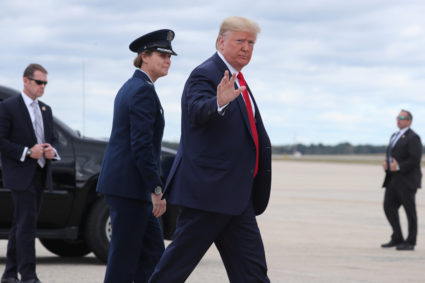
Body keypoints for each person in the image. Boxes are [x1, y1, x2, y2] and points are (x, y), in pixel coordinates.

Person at [149, 16, 272, 283]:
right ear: (221, 41)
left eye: (251, 43)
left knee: (252, 271)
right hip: (209, 196)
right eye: (240, 41)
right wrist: (218, 102)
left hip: (237, 198)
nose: (246, 47)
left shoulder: (238, 79)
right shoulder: (205, 73)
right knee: (175, 267)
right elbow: (196, 111)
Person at [96, 29, 177, 283]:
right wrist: (156, 189)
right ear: (144, 56)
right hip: (130, 188)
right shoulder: (141, 90)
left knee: (152, 255)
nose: (168, 60)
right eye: (162, 54)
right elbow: (141, 146)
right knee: (124, 259)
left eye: (170, 56)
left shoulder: (135, 86)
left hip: (130, 187)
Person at [0, 63, 60, 283]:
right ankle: (28, 275)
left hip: (41, 174)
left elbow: (51, 138)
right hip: (20, 174)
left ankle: (8, 274)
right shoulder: (8, 107)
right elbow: (2, 141)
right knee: (26, 226)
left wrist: (51, 150)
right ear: (25, 81)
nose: (43, 86)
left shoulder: (46, 109)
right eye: (39, 82)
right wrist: (27, 152)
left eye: (45, 83)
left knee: (21, 224)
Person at [381, 109, 422, 251]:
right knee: (388, 207)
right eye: (397, 117)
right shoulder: (394, 135)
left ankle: (410, 242)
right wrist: (387, 163)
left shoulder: (413, 137)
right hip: (393, 179)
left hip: (407, 180)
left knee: (410, 212)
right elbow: (391, 153)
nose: (399, 120)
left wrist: (398, 166)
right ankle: (397, 236)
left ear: (409, 121)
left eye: (402, 117)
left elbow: (415, 159)